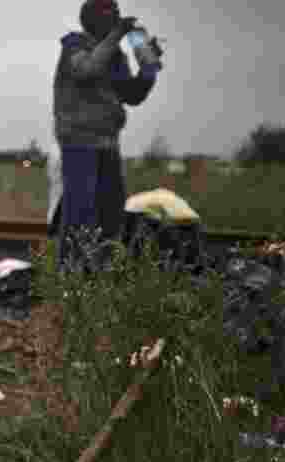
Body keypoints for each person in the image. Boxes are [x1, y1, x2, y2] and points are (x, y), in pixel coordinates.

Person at [52, 0, 162, 271]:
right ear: (93, 18)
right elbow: (86, 70)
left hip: (107, 142)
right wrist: (116, 36)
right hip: (78, 141)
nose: (115, 17)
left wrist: (149, 69)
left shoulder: (114, 56)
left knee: (112, 212)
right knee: (81, 212)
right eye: (109, 13)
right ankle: (72, 272)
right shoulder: (74, 45)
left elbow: (132, 95)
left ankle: (102, 269)